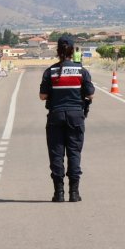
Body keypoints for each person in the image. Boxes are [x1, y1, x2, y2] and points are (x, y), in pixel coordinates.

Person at [39, 36, 95, 202]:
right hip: (76, 116)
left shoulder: (50, 71)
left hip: (55, 116)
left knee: (56, 154)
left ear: (58, 51)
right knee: (74, 153)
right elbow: (90, 94)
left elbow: (43, 96)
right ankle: (74, 193)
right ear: (73, 51)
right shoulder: (81, 71)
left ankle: (59, 193)